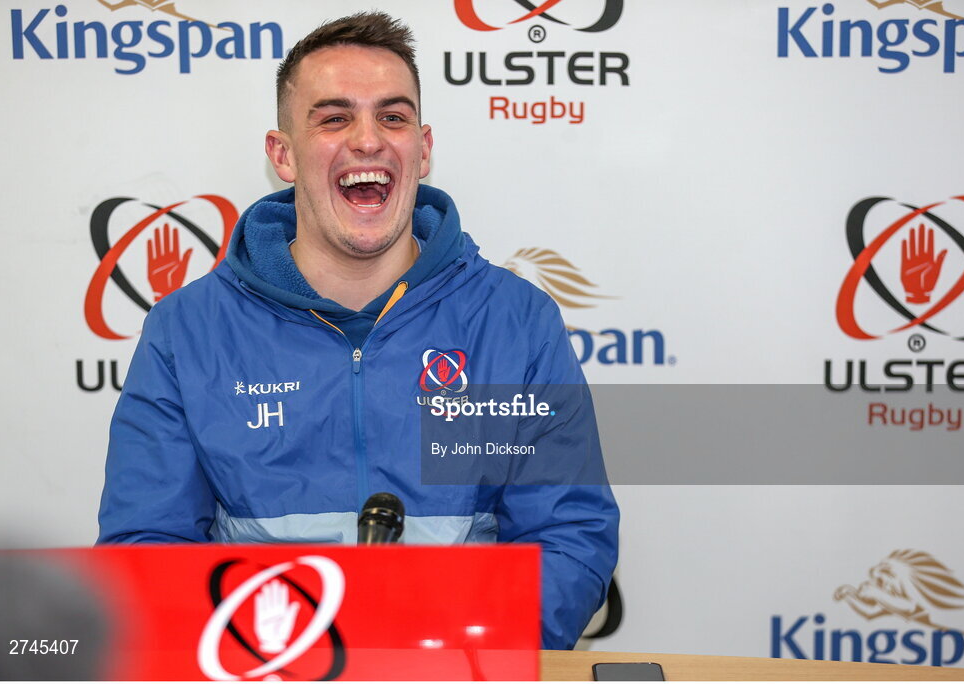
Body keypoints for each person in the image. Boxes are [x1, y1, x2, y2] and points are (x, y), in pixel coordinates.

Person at [97, 11, 619, 650]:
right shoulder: (186, 331)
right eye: (334, 117)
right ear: (283, 155)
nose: (368, 140)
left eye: (392, 117)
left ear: (422, 150)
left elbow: (569, 537)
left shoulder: (516, 322)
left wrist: (457, 652)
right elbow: (147, 547)